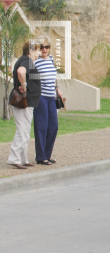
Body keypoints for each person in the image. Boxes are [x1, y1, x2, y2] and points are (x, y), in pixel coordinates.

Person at [7, 41, 42, 169]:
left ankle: (23, 158)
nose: (39, 52)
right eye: (38, 50)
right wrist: (24, 86)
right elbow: (21, 72)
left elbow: (16, 73)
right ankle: (14, 158)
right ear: (31, 51)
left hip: (28, 101)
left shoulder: (24, 60)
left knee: (25, 130)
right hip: (24, 101)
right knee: (22, 129)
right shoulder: (26, 60)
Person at [34, 35, 63, 166]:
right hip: (40, 98)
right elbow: (31, 79)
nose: (44, 49)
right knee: (41, 126)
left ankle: (47, 154)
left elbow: (53, 78)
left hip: (51, 97)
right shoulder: (35, 61)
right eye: (41, 47)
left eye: (47, 46)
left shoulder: (51, 59)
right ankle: (41, 157)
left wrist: (57, 89)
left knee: (54, 126)